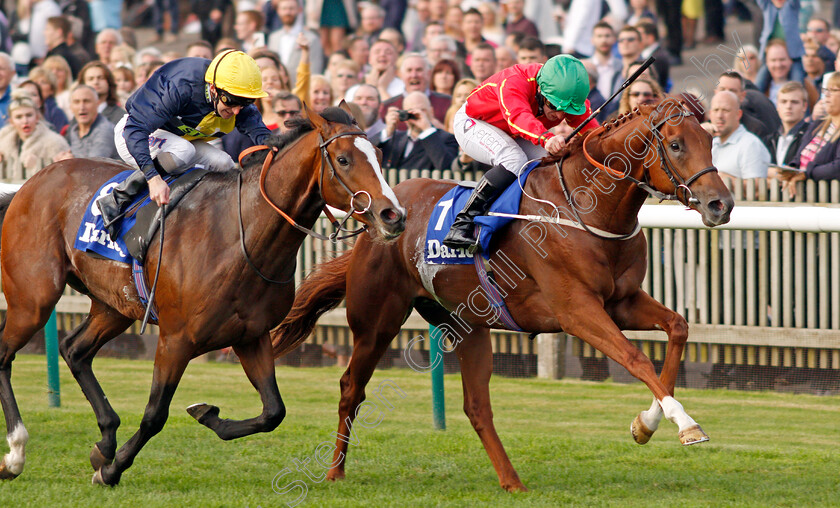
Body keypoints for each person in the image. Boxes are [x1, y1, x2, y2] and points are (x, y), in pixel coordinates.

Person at [95, 50, 270, 240]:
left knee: (224, 163)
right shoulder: (180, 85)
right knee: (183, 150)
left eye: (246, 102)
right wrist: (153, 179)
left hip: (178, 141)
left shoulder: (235, 97)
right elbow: (135, 130)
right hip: (134, 134)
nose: (237, 110)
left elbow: (264, 137)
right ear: (213, 89)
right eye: (231, 101)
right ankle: (118, 197)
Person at [442, 54, 598, 251]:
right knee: (514, 159)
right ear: (541, 90)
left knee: (548, 162)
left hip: (511, 131)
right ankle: (462, 223)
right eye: (553, 106)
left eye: (566, 111)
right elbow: (518, 118)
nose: (559, 116)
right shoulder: (514, 82)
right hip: (474, 122)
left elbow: (593, 133)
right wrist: (547, 138)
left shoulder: (568, 94)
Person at [0, 88, 70, 181]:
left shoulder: (55, 142)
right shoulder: (3, 141)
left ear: (37, 117)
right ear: (11, 121)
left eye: (29, 115)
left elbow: (64, 179)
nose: (25, 121)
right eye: (19, 117)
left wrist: (38, 165)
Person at [378, 90, 458, 170]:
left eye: (422, 110)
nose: (417, 114)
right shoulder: (395, 138)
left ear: (431, 112)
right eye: (411, 111)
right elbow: (367, 156)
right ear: (403, 114)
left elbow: (447, 167)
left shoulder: (447, 138)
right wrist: (387, 132)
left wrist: (427, 130)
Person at [706, 90, 771, 183]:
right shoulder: (711, 144)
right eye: (716, 110)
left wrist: (724, 178)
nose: (719, 116)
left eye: (725, 110)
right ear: (710, 114)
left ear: (738, 114)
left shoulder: (750, 144)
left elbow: (757, 191)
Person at [380, 53, 450, 127]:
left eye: (419, 70)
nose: (414, 75)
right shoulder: (387, 107)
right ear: (400, 75)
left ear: (429, 73)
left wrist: (439, 129)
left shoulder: (447, 103)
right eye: (409, 70)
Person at [268, 0, 324, 87]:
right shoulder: (273, 37)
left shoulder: (311, 38)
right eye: (284, 9)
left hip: (301, 88)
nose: (287, 12)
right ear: (278, 11)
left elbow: (315, 70)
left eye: (291, 8)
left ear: (299, 10)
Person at [63, 84, 118, 159]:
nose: (82, 107)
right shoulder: (73, 130)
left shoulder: (105, 130)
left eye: (86, 101)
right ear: (71, 107)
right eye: (77, 102)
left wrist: (68, 162)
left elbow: (94, 166)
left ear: (97, 104)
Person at [770, 81, 810, 167]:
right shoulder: (769, 139)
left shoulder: (811, 136)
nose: (788, 106)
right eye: (783, 102)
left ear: (804, 106)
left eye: (794, 102)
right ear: (777, 106)